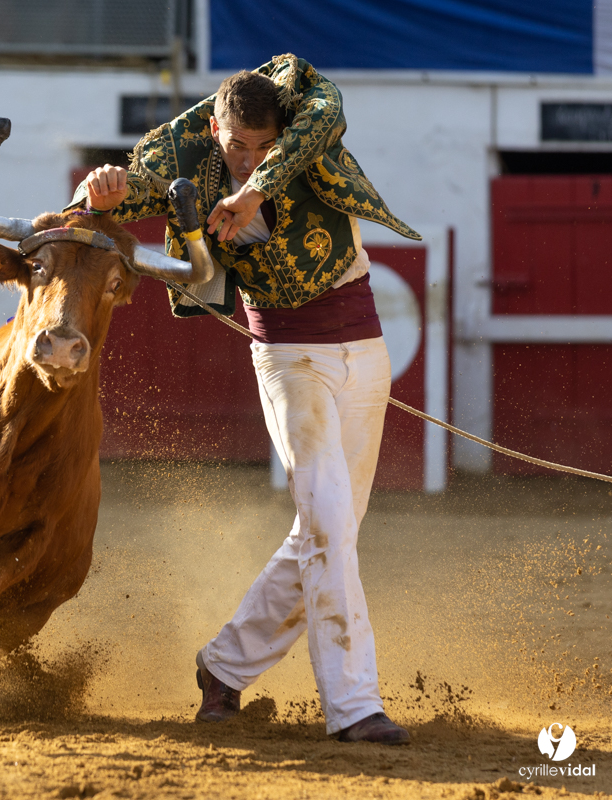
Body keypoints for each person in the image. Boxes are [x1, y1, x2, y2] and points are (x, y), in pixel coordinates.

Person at [74, 54, 420, 745]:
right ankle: (353, 706)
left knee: (332, 528)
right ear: (214, 126)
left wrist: (256, 188)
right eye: (237, 145)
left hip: (365, 346)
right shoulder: (183, 151)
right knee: (327, 525)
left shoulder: (308, 121)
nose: (247, 157)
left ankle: (224, 667)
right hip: (289, 356)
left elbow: (325, 117)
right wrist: (99, 189)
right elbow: (129, 192)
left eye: (263, 146)